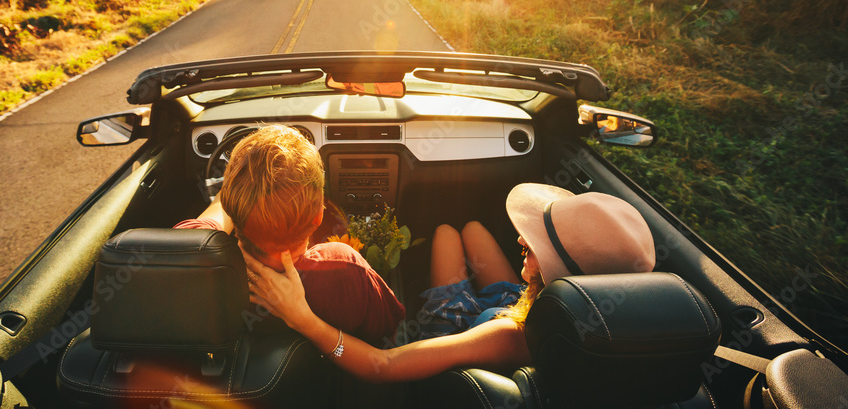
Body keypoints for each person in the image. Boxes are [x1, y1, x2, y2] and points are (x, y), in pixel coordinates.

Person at [242, 183, 656, 382]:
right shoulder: (635, 328)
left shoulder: (512, 337)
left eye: (536, 249)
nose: (521, 241)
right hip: (516, 302)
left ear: (559, 276)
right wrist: (532, 278)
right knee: (471, 228)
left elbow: (382, 367)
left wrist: (304, 319)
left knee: (443, 234)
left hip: (470, 326)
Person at [174, 124, 404, 344]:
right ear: (318, 216)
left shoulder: (193, 258)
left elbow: (215, 214)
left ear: (233, 204)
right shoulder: (345, 268)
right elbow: (389, 335)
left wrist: (241, 185)